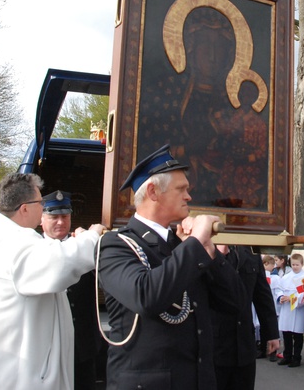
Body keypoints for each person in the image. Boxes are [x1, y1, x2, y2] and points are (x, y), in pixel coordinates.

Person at [96, 144, 244, 390]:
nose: (189, 196)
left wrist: (209, 250)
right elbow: (147, 296)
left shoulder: (184, 246)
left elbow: (236, 303)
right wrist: (195, 243)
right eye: (181, 189)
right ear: (153, 192)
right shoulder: (115, 245)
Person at [0, 173, 105, 390]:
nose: (42, 208)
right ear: (24, 208)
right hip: (11, 373)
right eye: (40, 203)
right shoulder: (14, 241)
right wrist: (92, 237)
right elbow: (58, 266)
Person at [40, 190, 103, 390]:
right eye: (54, 217)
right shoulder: (35, 250)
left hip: (82, 344)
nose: (60, 222)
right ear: (41, 219)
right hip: (47, 347)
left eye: (65, 216)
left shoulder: (83, 247)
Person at [211, 245, 279, 390]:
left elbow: (262, 295)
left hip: (244, 344)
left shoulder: (251, 251)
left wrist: (271, 333)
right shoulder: (205, 246)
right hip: (213, 344)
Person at [274, 252, 304, 368]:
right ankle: (287, 356)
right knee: (286, 333)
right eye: (293, 264)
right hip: (286, 309)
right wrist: (281, 297)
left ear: (302, 264)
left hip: (297, 310)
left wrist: (292, 298)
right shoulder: (286, 277)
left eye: (297, 265)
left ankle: (296, 358)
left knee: (297, 335)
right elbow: (278, 289)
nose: (295, 267)